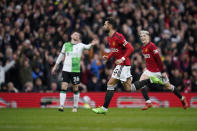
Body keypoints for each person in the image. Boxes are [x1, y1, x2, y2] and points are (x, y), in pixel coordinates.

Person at [92, 17, 163, 114]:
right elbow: (114, 50)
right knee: (129, 88)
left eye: (105, 24)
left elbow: (130, 48)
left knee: (110, 84)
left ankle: (104, 108)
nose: (103, 26)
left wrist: (122, 58)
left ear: (110, 26)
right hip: (122, 65)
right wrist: (108, 57)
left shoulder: (119, 36)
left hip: (123, 64)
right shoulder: (109, 37)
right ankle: (150, 80)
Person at [138, 30, 188, 110]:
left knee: (168, 86)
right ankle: (148, 102)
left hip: (158, 71)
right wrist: (146, 67)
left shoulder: (152, 46)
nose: (142, 38)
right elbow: (149, 59)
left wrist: (163, 71)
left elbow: (158, 59)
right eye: (141, 36)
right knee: (141, 83)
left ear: (148, 37)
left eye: (144, 36)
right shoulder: (143, 47)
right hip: (149, 71)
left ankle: (182, 98)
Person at [52, 31, 98, 112]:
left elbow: (88, 47)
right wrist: (55, 66)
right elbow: (61, 55)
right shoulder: (66, 45)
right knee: (63, 87)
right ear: (71, 35)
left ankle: (75, 106)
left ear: (79, 38)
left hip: (75, 70)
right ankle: (61, 106)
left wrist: (92, 44)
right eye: (75, 34)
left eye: (78, 35)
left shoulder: (80, 45)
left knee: (75, 88)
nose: (77, 35)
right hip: (66, 69)